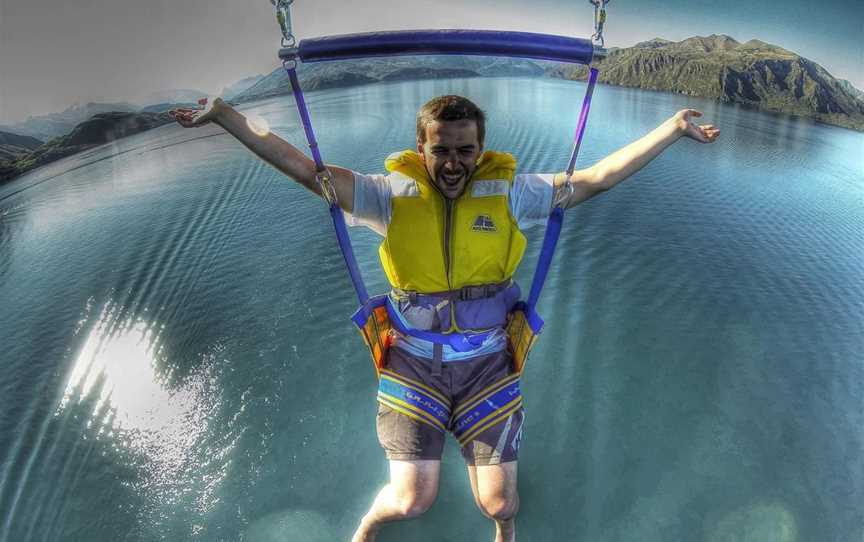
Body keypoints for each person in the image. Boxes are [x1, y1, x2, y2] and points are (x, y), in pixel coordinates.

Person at [171, 94, 719, 542]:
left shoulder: (511, 193)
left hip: (488, 366)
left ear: (481, 150)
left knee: (498, 501)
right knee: (412, 499)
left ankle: (506, 530)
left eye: (466, 150)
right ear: (421, 147)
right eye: (441, 151)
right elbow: (302, 169)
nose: (454, 163)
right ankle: (368, 524)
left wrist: (670, 129)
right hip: (413, 365)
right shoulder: (386, 197)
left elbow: (598, 177)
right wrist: (226, 117)